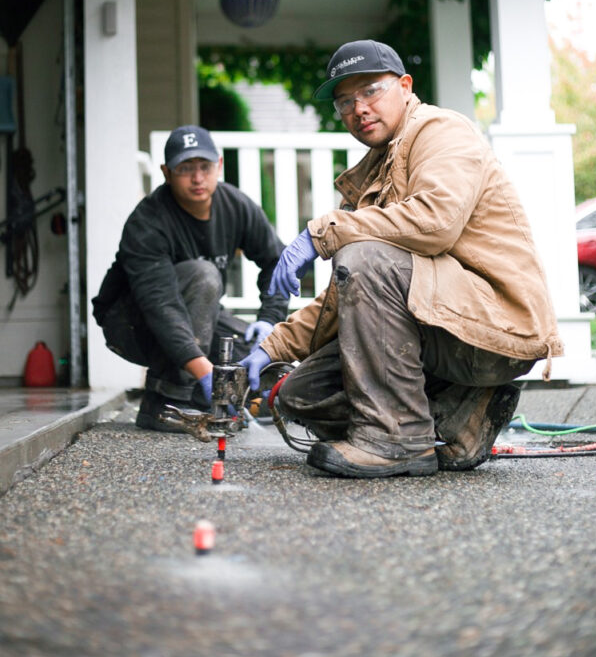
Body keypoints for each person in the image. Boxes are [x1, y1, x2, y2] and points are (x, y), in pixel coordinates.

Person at [241, 39, 563, 479]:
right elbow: (350, 292)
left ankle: (398, 440)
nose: (359, 108)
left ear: (405, 86)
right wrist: (271, 346)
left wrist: (324, 232)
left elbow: (436, 223)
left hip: (494, 328)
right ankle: (460, 413)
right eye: (345, 101)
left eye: (371, 90)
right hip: (437, 326)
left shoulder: (442, 131)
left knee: (363, 256)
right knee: (300, 393)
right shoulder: (376, 171)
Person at [93, 125, 287, 430]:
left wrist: (270, 321)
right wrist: (203, 371)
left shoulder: (235, 205)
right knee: (204, 275)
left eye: (204, 167)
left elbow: (277, 261)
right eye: (185, 169)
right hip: (131, 323)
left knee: (256, 359)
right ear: (166, 173)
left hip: (195, 316)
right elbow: (162, 306)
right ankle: (170, 401)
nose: (198, 178)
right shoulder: (147, 222)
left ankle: (229, 400)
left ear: (219, 166)